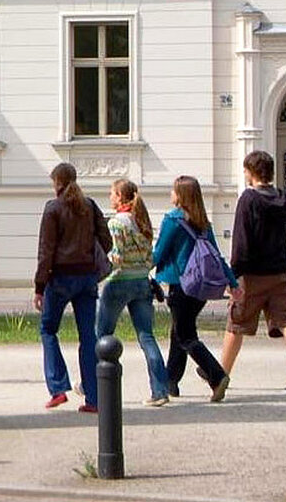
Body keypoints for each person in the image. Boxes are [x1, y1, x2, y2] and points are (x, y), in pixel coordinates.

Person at [219, 150, 286, 393]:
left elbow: (241, 241)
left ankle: (221, 376)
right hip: (279, 271)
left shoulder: (248, 199)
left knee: (236, 324)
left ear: (251, 172)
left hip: (252, 275)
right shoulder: (283, 198)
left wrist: (233, 275)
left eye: (245, 170)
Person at [34, 162, 112, 413]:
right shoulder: (89, 206)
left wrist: (39, 286)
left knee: (48, 329)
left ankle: (58, 388)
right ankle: (94, 398)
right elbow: (107, 241)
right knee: (88, 336)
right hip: (87, 277)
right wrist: (91, 255)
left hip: (60, 278)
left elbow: (46, 250)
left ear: (57, 182)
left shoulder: (53, 208)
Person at [152, 175, 237, 401]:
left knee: (185, 336)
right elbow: (217, 256)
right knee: (178, 331)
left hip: (181, 285)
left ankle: (217, 375)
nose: (171, 193)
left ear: (181, 195)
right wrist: (232, 282)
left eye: (173, 190)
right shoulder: (203, 223)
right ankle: (171, 381)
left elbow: (159, 252)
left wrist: (140, 267)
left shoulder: (172, 220)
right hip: (201, 288)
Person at [96, 179, 170, 407]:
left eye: (112, 193)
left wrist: (100, 267)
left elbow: (116, 256)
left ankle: (93, 385)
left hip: (119, 282)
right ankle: (160, 390)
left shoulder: (116, 223)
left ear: (120, 197)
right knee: (146, 336)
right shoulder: (141, 221)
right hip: (141, 282)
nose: (110, 197)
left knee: (102, 335)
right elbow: (150, 257)